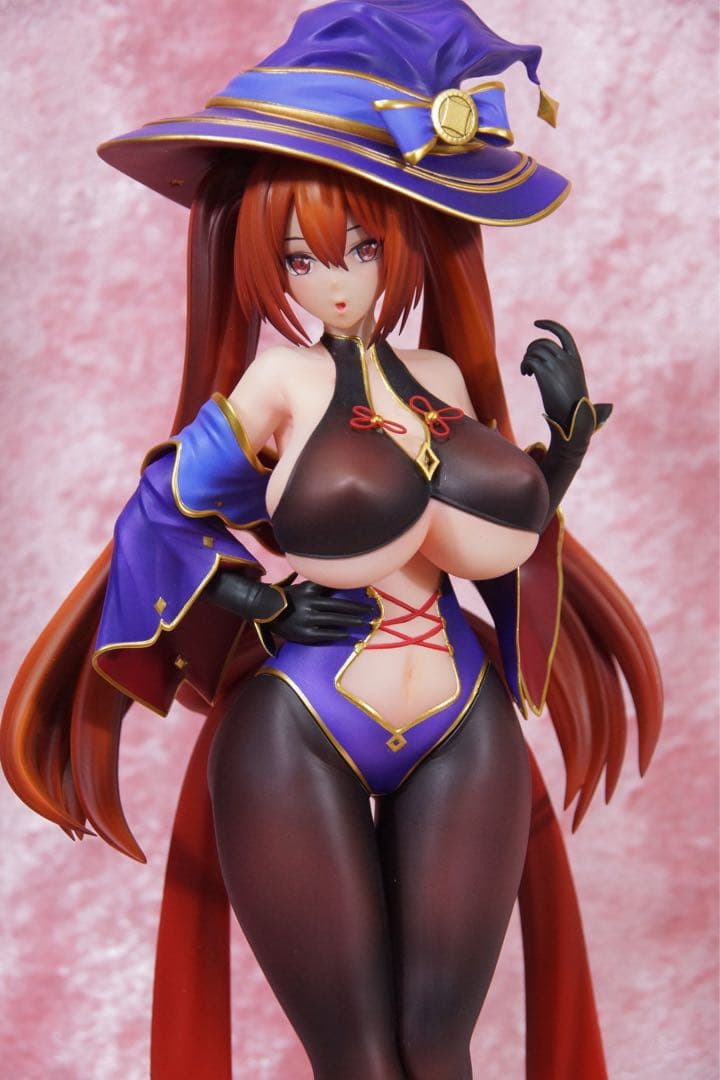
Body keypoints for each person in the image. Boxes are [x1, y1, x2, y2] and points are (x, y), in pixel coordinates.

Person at [0, 3, 662, 1078]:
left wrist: (566, 447)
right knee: (356, 1056)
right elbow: (160, 510)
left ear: (409, 236)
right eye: (302, 258)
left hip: (459, 710)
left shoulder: (441, 379)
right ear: (269, 265)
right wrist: (253, 600)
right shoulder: (280, 383)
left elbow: (498, 529)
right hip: (305, 718)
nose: (338, 277)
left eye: (363, 246)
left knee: (438, 1044)